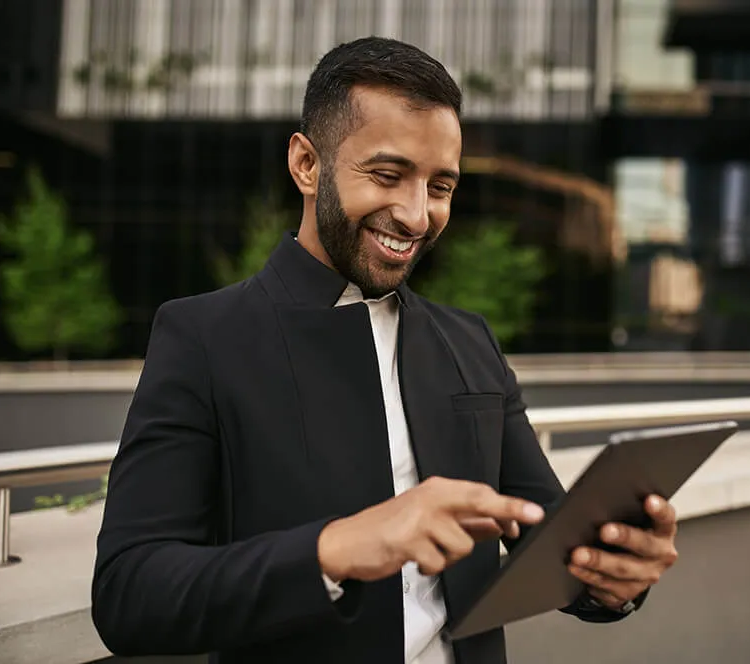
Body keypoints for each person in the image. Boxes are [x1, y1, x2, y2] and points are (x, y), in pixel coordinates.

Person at [91, 36, 679, 664]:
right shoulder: (202, 336)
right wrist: (337, 548)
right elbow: (131, 595)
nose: (417, 215)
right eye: (388, 175)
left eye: (441, 186)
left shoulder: (469, 341)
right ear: (307, 166)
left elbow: (552, 541)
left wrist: (614, 573)